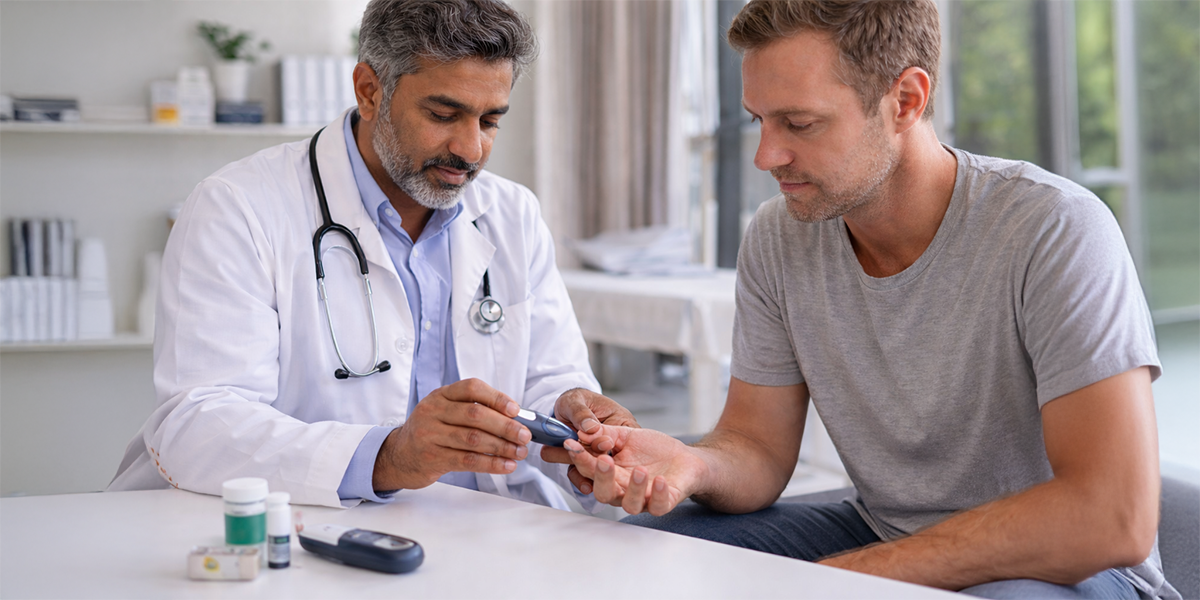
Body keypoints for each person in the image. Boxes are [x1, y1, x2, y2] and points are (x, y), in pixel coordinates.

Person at [561, 2, 1177, 598]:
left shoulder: (1053, 229)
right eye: (759, 120)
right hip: (881, 530)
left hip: (1066, 570)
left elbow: (1110, 517)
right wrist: (690, 464)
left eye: (799, 124)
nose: (765, 156)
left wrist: (845, 578)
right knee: (639, 554)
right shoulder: (780, 236)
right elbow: (758, 447)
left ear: (905, 100)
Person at [108, 0, 634, 511]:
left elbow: (549, 373)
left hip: (484, 530)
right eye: (444, 113)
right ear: (369, 91)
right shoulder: (238, 207)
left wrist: (574, 406)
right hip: (297, 529)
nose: (471, 149)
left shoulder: (512, 212)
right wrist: (387, 457)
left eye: (491, 121)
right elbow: (198, 423)